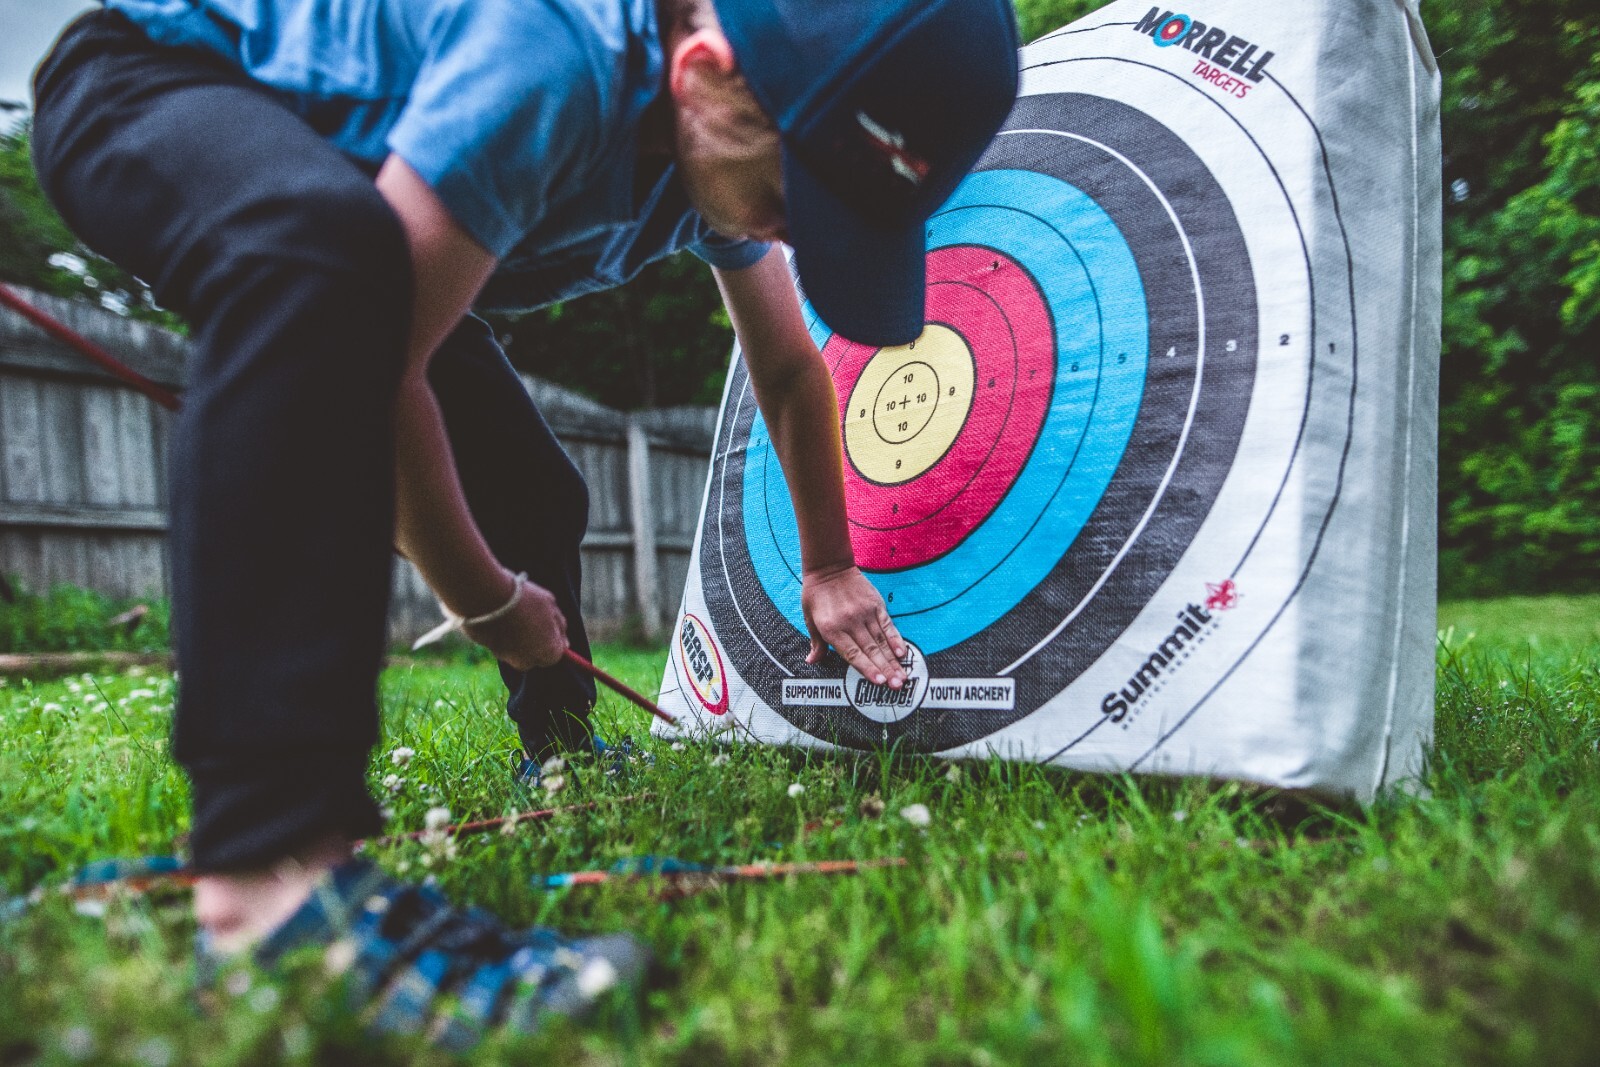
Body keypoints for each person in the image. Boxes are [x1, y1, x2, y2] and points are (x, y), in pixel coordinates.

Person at [30, 0, 1019, 1042]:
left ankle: (562, 747)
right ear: (703, 69)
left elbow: (784, 367)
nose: (794, 231)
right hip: (149, 87)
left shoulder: (718, 156)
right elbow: (374, 377)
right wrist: (485, 596)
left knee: (539, 492)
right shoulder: (555, 52)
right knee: (314, 251)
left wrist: (828, 564)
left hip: (365, 236)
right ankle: (269, 883)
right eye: (798, 196)